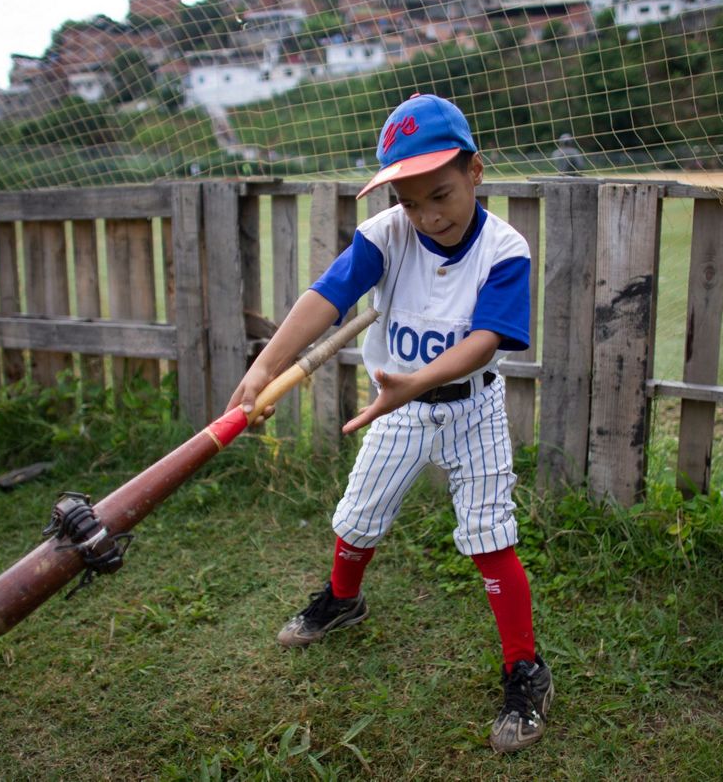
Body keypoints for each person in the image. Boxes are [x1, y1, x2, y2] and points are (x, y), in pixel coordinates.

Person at [228, 94, 550, 754]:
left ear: (476, 172)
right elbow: (326, 297)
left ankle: (525, 669)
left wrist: (418, 382)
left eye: (441, 194)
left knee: (490, 534)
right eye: (410, 201)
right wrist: (265, 368)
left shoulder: (505, 248)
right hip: (396, 407)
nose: (429, 216)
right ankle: (343, 600)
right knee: (358, 516)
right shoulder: (386, 235)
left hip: (472, 404)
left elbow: (487, 338)